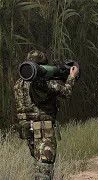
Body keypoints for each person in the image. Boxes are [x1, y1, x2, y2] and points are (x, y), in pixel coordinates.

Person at [13, 50, 79, 180]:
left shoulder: (18, 84)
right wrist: (71, 76)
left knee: (40, 168)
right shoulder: (40, 83)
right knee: (44, 170)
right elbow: (66, 92)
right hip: (44, 131)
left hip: (28, 132)